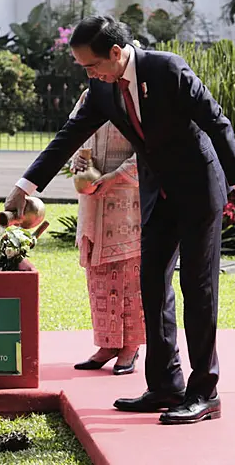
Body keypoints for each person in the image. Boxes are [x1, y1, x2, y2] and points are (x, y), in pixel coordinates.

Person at [4, 15, 235, 425]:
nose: (88, 75)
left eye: (90, 65)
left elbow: (216, 122)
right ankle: (166, 386)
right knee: (152, 284)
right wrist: (26, 185)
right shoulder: (102, 87)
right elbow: (69, 136)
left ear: (115, 53)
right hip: (157, 194)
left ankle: (205, 393)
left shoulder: (166, 69)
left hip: (198, 188)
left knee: (197, 288)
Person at [68, 89, 145, 375]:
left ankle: (131, 346)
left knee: (132, 276)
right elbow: (74, 134)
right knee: (99, 276)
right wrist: (78, 161)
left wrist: (117, 177)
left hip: (128, 201)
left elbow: (152, 150)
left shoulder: (137, 99)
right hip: (93, 199)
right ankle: (108, 343)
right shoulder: (90, 96)